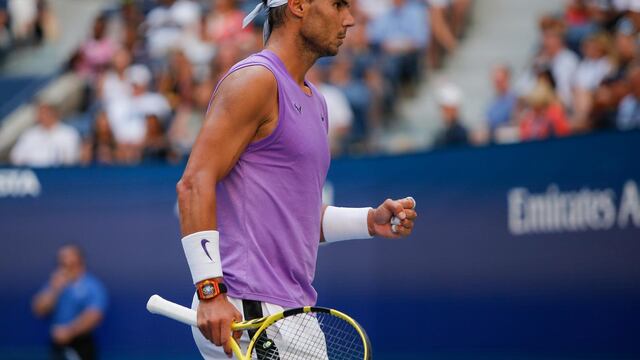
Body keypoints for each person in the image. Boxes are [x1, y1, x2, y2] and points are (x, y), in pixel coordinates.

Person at [175, 0, 418, 358]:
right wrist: (211, 292)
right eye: (338, 5)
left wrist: (368, 220)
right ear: (299, 5)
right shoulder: (255, 80)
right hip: (252, 310)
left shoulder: (316, 103)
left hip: (286, 313)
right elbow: (194, 184)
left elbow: (296, 216)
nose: (349, 19)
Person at [32, 245, 108, 360]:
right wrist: (54, 290)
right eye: (61, 262)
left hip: (81, 344)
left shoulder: (92, 286)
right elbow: (39, 310)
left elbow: (94, 315)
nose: (64, 265)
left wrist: (69, 332)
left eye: (68, 261)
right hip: (57, 345)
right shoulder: (55, 284)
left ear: (79, 261)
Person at [10, 102, 81, 167]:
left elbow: (72, 158)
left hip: (60, 174)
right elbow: (16, 156)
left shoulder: (69, 133)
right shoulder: (29, 134)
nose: (40, 117)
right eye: (39, 114)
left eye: (44, 113)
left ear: (53, 113)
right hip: (33, 172)